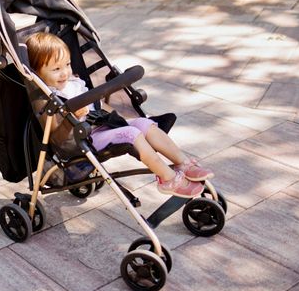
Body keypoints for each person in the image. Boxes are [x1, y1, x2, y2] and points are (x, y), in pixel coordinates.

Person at [25, 32, 214, 198]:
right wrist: (71, 115)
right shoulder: (48, 97)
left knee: (143, 123)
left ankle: (182, 163)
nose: (64, 72)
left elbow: (97, 104)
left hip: (102, 126)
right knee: (131, 135)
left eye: (66, 64)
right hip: (83, 140)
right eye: (56, 69)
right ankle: (168, 179)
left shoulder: (73, 82)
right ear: (38, 73)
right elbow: (56, 135)